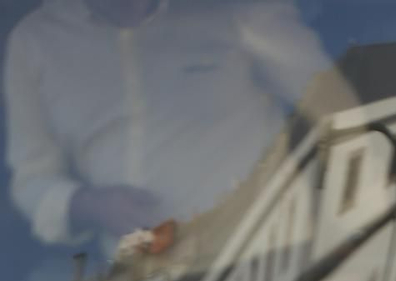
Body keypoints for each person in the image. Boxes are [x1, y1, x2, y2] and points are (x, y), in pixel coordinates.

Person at [5, 0, 345, 253]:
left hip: (269, 259)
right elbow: (32, 181)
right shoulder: (34, 43)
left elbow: (337, 113)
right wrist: (91, 204)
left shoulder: (236, 8)